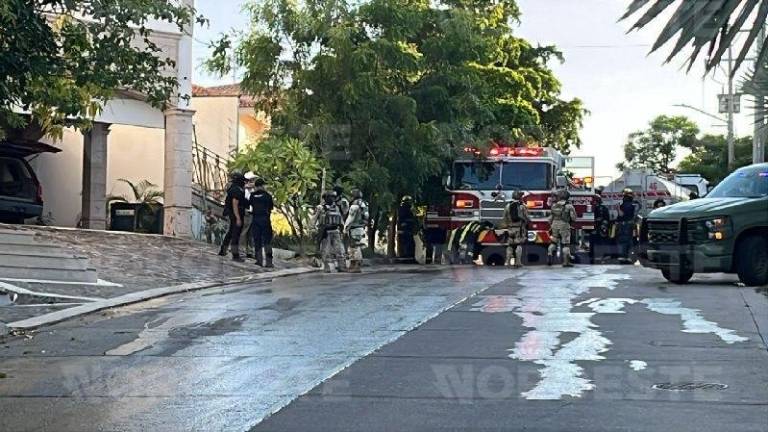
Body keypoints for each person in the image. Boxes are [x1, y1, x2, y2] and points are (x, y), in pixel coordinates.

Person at [315, 191, 347, 273]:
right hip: (325, 231)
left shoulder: (337, 207)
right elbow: (314, 219)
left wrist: (342, 228)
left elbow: (340, 219)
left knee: (339, 250)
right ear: (325, 198)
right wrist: (314, 229)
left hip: (335, 230)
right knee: (325, 250)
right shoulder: (320, 208)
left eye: (333, 197)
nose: (332, 198)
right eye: (330, 196)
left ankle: (342, 266)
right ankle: (327, 266)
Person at [218, 171, 247, 262]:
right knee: (235, 234)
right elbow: (235, 204)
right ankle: (235, 255)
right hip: (236, 214)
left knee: (230, 233)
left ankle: (223, 250)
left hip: (233, 213)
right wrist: (238, 217)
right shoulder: (237, 190)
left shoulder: (234, 188)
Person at [548, 189, 577, 267]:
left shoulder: (554, 205)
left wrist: (551, 225)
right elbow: (573, 218)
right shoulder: (569, 206)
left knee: (554, 242)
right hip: (564, 225)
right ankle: (566, 262)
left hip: (554, 224)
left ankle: (550, 253)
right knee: (565, 244)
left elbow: (550, 218)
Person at [250, 178, 275, 268]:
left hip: (255, 219)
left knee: (257, 240)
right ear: (262, 186)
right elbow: (271, 207)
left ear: (256, 186)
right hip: (265, 219)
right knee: (267, 241)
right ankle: (269, 262)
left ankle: (259, 260)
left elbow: (251, 205)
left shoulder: (252, 195)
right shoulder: (267, 196)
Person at [501, 190, 530, 267]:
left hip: (510, 229)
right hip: (519, 229)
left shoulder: (507, 206)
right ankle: (518, 262)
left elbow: (504, 218)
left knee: (510, 245)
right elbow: (527, 218)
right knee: (518, 245)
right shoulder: (522, 206)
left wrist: (507, 226)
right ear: (520, 197)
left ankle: (507, 262)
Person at [344, 188, 369, 273]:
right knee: (356, 246)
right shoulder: (364, 204)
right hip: (361, 228)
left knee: (353, 247)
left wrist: (345, 227)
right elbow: (366, 217)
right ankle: (354, 265)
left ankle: (356, 266)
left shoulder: (354, 205)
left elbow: (350, 218)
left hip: (354, 228)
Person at [589, 193, 612, 263]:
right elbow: (607, 219)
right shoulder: (604, 208)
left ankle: (594, 256)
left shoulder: (592, 208)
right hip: (602, 229)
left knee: (594, 242)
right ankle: (604, 256)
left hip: (595, 228)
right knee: (603, 242)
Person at [617, 188, 638, 262]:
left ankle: (623, 256)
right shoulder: (634, 204)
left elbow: (621, 214)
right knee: (630, 240)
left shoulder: (624, 205)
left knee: (623, 240)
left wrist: (618, 208)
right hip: (631, 224)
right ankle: (630, 256)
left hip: (624, 225)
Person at [397, 195, 417, 262]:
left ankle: (407, 257)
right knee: (408, 243)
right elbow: (408, 219)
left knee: (407, 243)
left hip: (404, 229)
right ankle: (407, 258)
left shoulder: (402, 209)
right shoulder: (405, 209)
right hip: (406, 229)